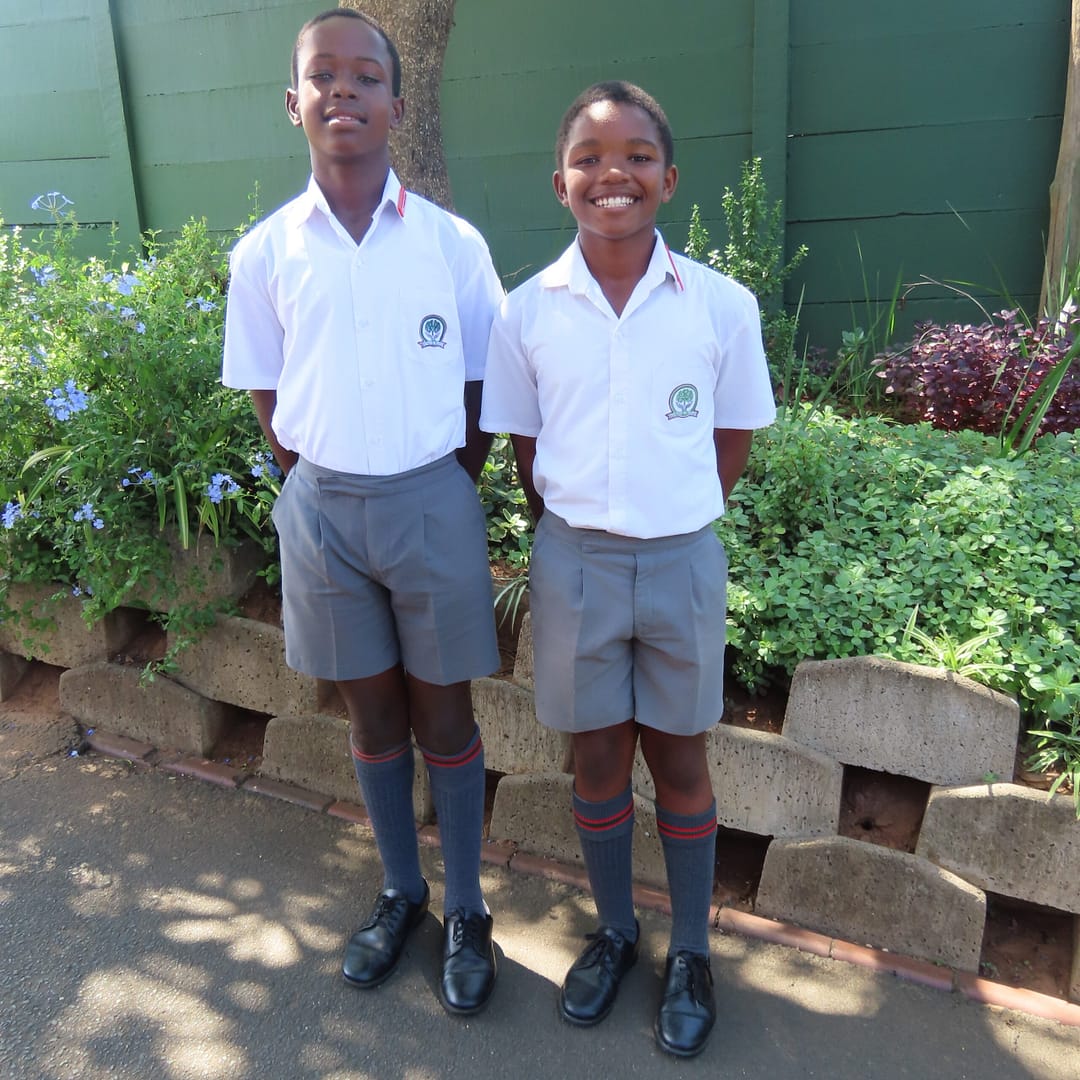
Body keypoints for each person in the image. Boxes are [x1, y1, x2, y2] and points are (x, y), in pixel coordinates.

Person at [480, 81, 775, 1057]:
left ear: (670, 178)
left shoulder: (721, 307)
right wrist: (577, 537)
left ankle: (690, 951)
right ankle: (615, 930)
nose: (615, 174)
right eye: (591, 158)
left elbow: (731, 440)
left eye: (638, 156)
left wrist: (673, 520)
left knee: (681, 760)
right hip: (576, 563)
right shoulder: (527, 313)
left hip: (682, 560)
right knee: (598, 757)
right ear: (560, 181)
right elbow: (527, 451)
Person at [221, 7, 503, 1016]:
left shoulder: (450, 245)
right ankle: (401, 891)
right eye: (322, 75)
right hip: (324, 511)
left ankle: (467, 907)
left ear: (396, 105)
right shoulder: (266, 253)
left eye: (366, 76)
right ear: (292, 102)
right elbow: (269, 394)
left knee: (447, 715)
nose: (343, 89)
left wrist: (446, 482)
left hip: (433, 499)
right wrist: (319, 480)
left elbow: (482, 384)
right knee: (374, 716)